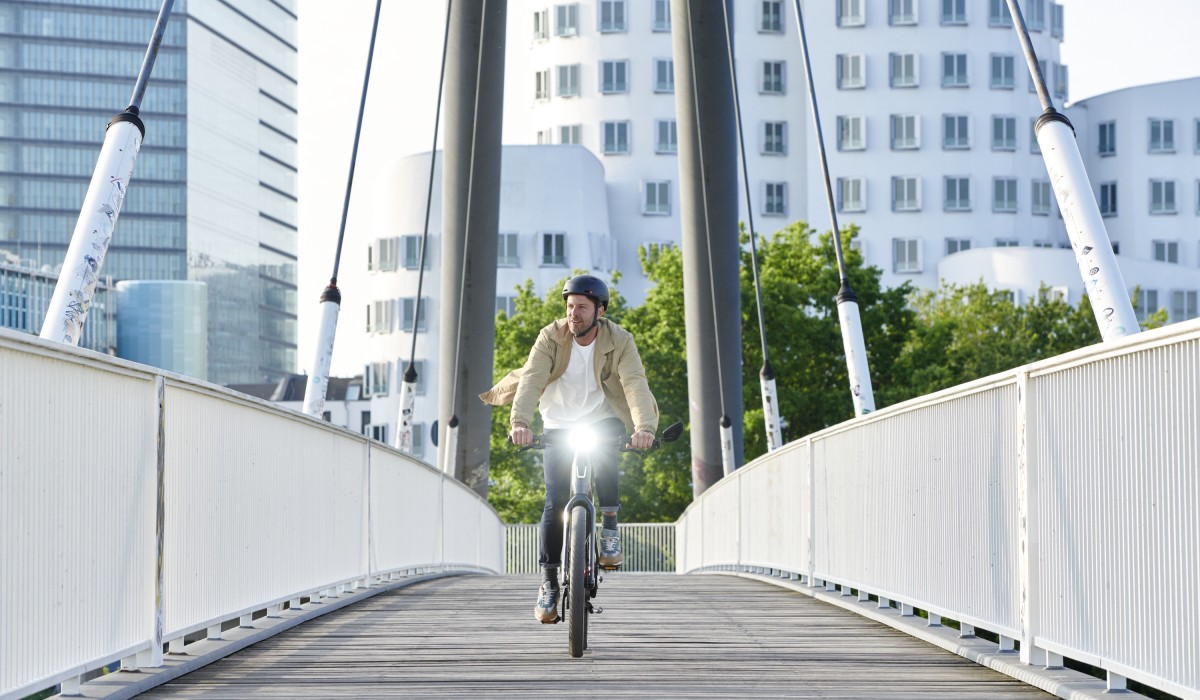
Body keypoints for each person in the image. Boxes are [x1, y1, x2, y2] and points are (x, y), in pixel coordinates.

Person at [479, 274, 658, 623]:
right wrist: (520, 424)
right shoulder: (551, 336)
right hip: (559, 423)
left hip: (600, 418)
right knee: (554, 498)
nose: (573, 313)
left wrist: (644, 428)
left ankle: (609, 525)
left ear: (600, 311)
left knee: (608, 451)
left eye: (582, 307)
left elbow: (635, 383)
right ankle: (548, 582)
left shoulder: (619, 340)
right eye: (570, 306)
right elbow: (531, 379)